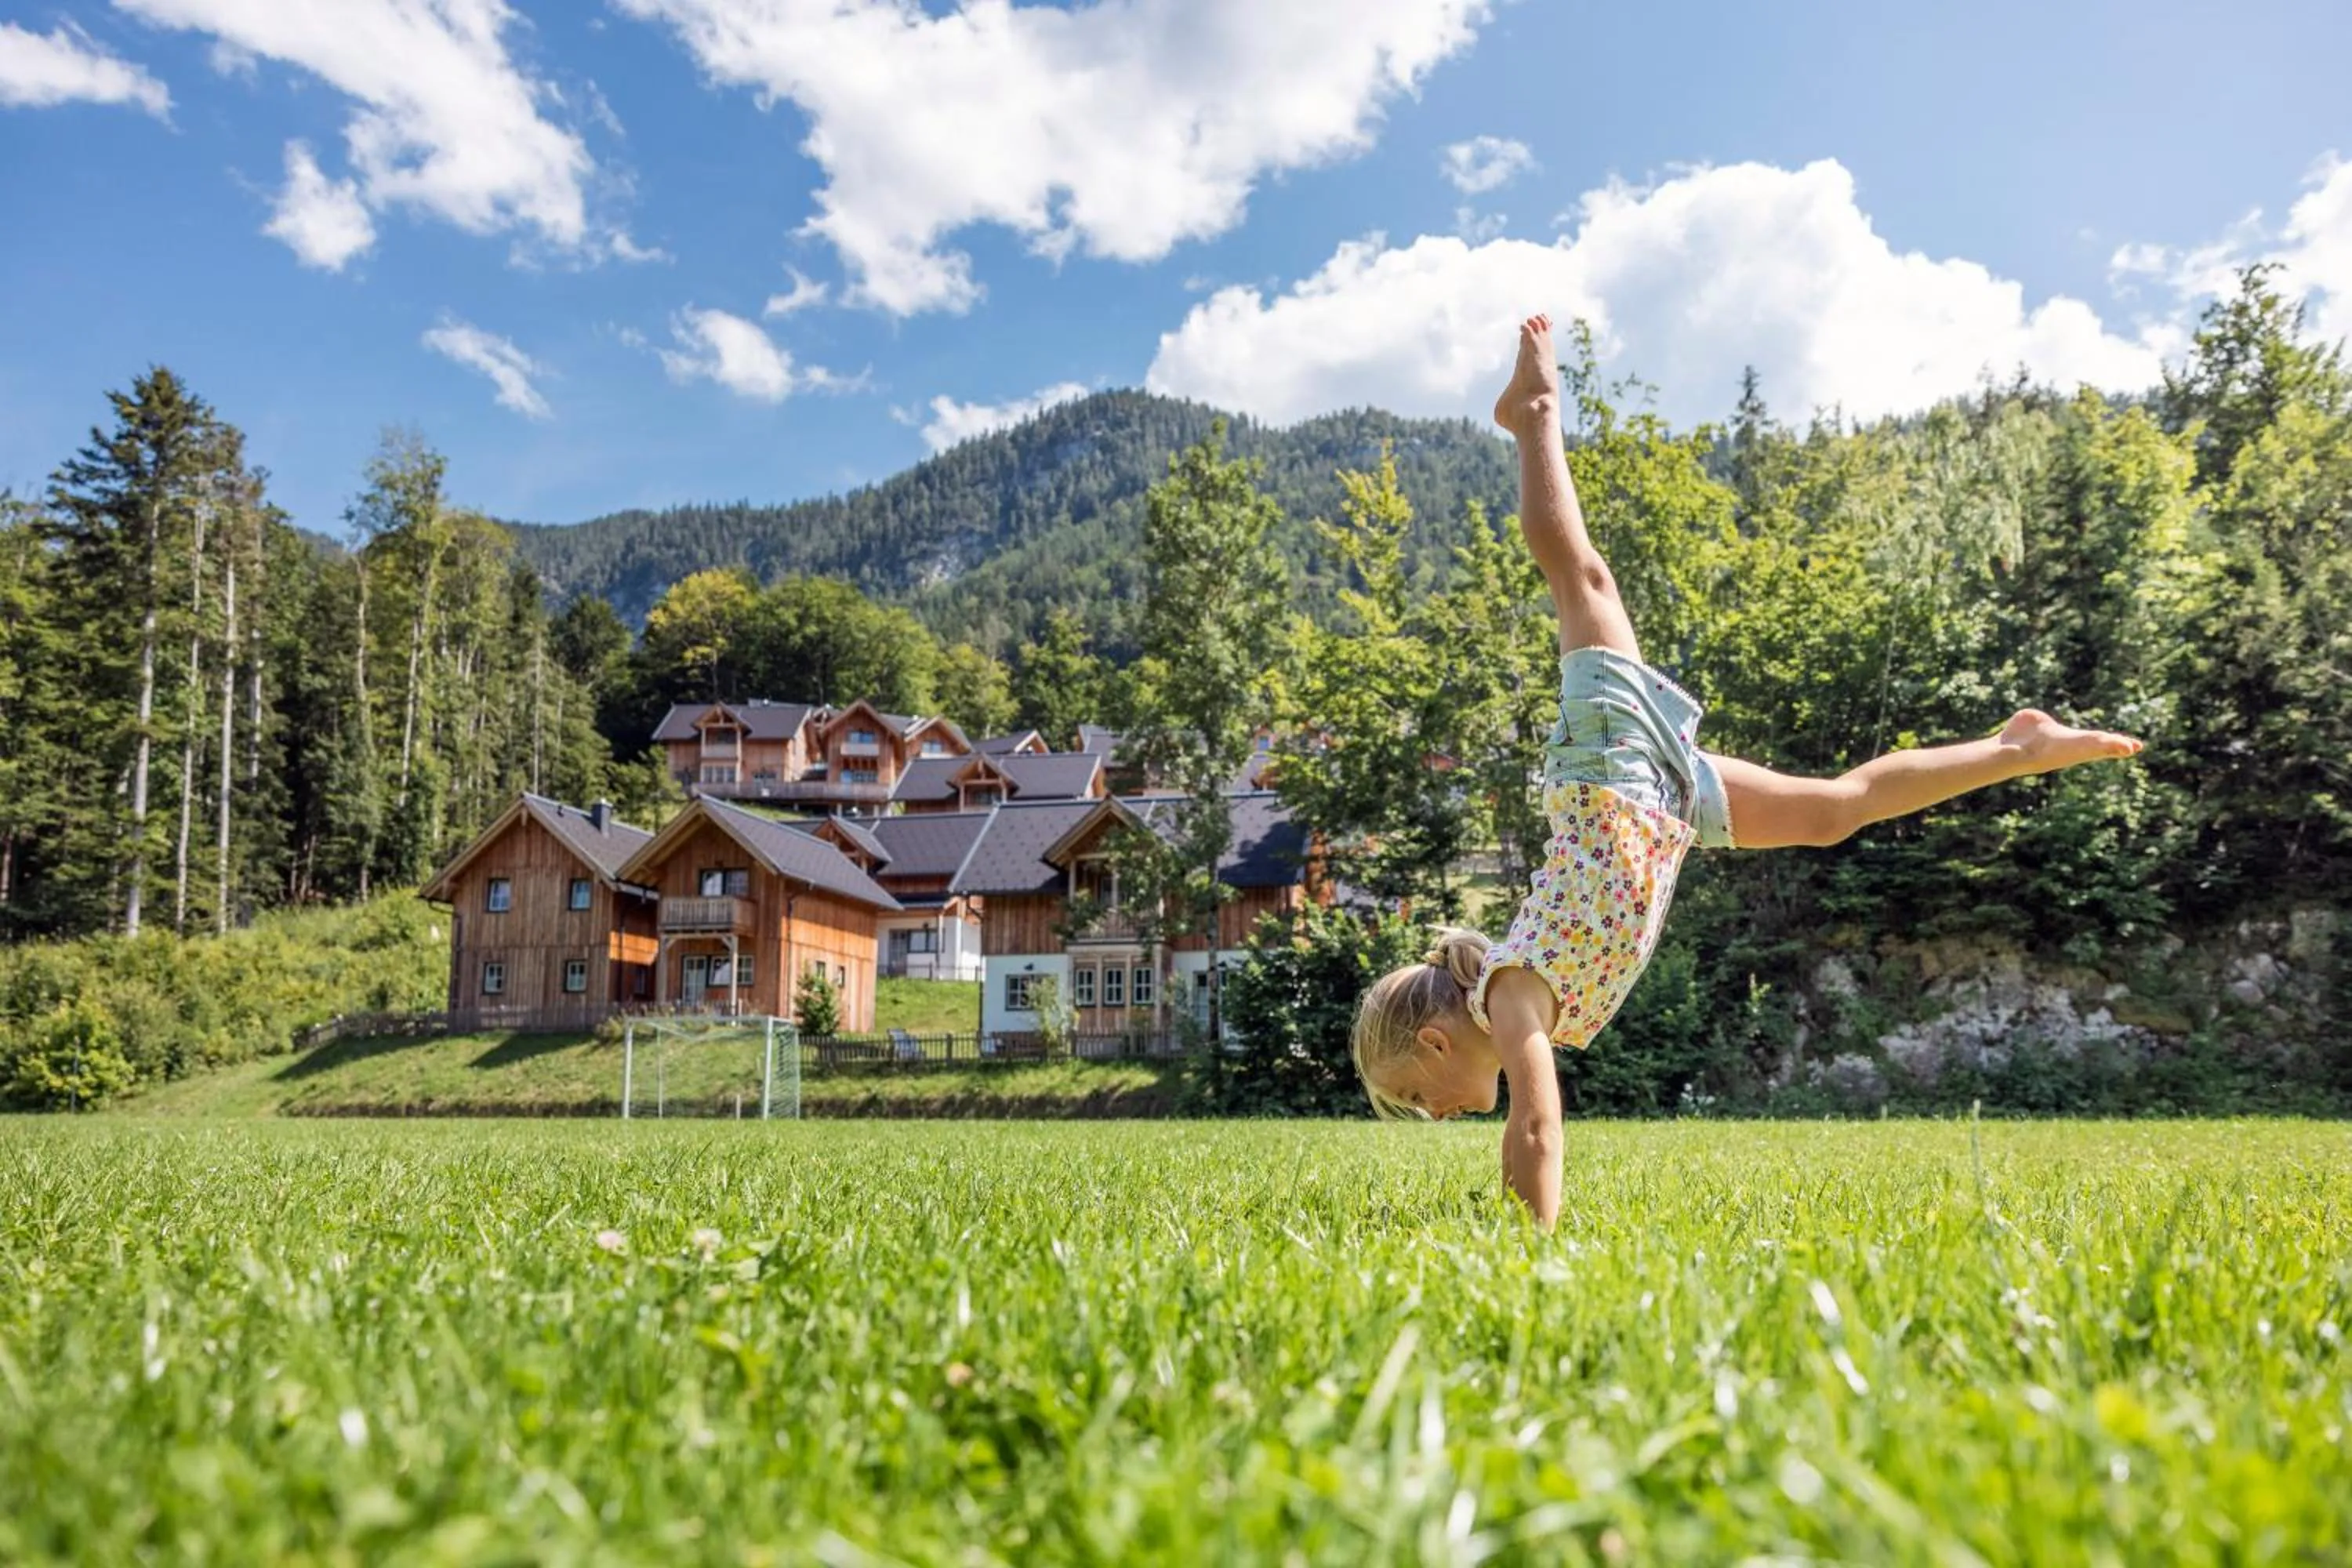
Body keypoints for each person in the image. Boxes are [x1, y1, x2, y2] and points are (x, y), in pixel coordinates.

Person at [1350, 315, 2144, 1229]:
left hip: (1611, 778)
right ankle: (2019, 746)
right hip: (1662, 805)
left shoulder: (1511, 993)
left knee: (1585, 584)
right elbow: (1528, 1119)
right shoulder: (1513, 999)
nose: (1432, 1112)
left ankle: (1534, 413)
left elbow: (1537, 1127)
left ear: (1438, 1038)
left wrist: (1532, 1244)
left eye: (1417, 1093)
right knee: (1836, 810)